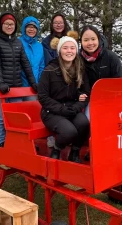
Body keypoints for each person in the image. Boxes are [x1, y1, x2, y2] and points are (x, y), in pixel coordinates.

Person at [38, 31, 90, 163]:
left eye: (72, 48)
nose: (69, 51)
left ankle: (75, 151)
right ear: (60, 50)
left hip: (72, 109)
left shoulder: (79, 69)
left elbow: (85, 93)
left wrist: (77, 106)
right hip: (52, 112)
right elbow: (43, 97)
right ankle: (56, 149)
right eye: (65, 48)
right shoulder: (49, 70)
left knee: (84, 124)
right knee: (69, 131)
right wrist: (62, 109)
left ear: (76, 51)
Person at [0, 12, 38, 148]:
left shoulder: (17, 42)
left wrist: (33, 82)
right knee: (1, 114)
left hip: (16, 87)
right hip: (0, 86)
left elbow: (25, 63)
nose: (9, 26)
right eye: (6, 24)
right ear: (1, 25)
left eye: (12, 24)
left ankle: (16, 141)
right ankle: (2, 142)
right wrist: (0, 82)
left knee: (17, 115)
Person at [79, 25, 122, 160]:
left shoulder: (111, 57)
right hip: (90, 100)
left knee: (110, 123)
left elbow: (118, 82)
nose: (90, 43)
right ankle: (93, 150)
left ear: (98, 39)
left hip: (110, 100)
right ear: (81, 42)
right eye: (86, 40)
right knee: (88, 121)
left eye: (93, 39)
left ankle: (111, 152)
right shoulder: (79, 60)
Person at [19, 16, 49, 101]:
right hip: (19, 85)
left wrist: (39, 82)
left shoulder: (39, 46)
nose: (31, 29)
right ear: (24, 28)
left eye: (34, 27)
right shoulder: (18, 42)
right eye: (29, 27)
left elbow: (41, 66)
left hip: (34, 86)